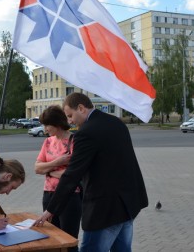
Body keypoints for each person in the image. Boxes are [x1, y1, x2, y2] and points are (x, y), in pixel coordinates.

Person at [34, 93, 148, 252]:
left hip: (105, 211)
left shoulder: (85, 133)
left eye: (70, 115)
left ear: (81, 108)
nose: (70, 121)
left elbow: (72, 174)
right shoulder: (116, 122)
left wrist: (51, 210)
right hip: (129, 204)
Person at [34, 105, 81, 252]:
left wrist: (48, 170)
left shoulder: (74, 141)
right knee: (52, 238)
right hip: (48, 194)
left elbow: (72, 174)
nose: (45, 128)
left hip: (70, 195)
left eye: (47, 125)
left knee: (68, 239)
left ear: (58, 124)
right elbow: (37, 168)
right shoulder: (48, 142)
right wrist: (57, 163)